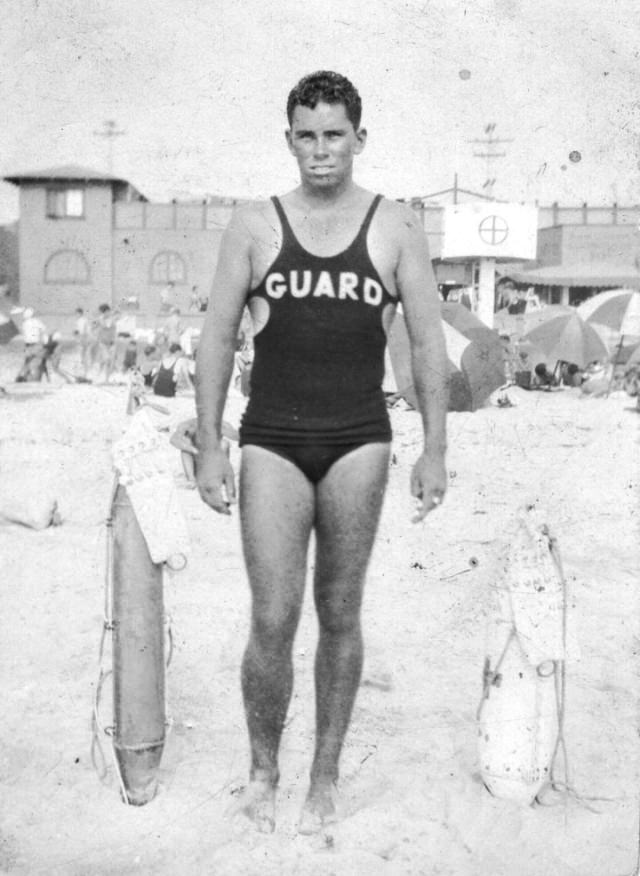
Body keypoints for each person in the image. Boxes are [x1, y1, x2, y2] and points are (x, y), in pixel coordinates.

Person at [192, 71, 448, 835]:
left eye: (335, 134)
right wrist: (209, 443)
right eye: (306, 135)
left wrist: (436, 447)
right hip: (271, 437)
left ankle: (325, 777)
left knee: (340, 611)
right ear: (289, 140)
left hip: (357, 440)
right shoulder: (255, 222)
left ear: (358, 139)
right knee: (272, 616)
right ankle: (263, 770)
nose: (320, 150)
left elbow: (429, 341)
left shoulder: (396, 224)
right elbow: (216, 334)